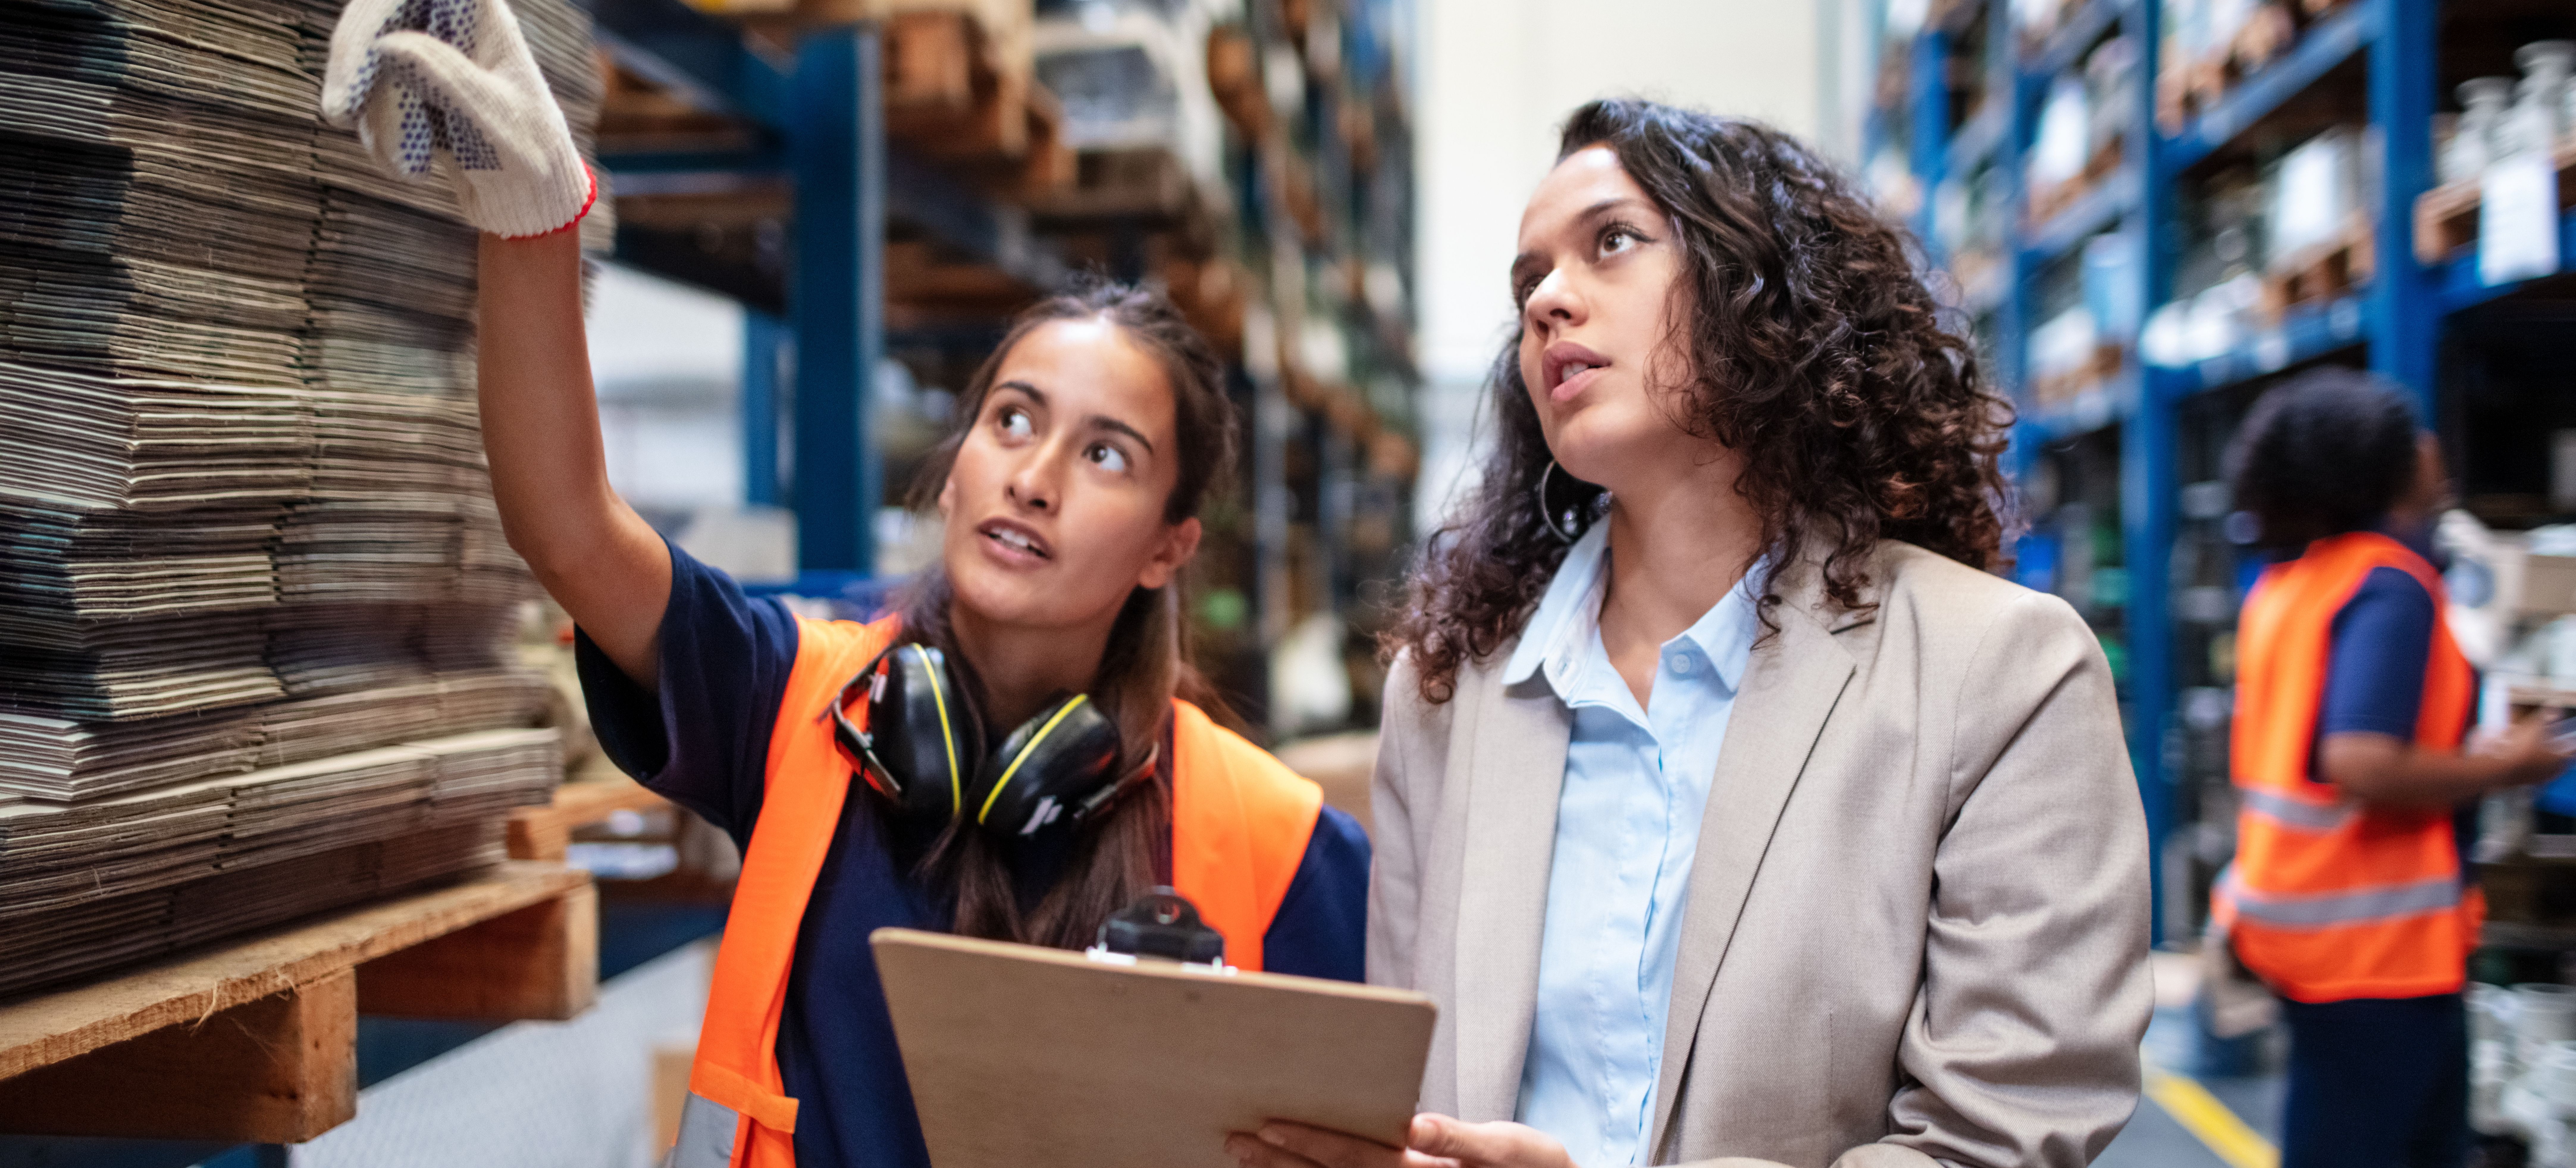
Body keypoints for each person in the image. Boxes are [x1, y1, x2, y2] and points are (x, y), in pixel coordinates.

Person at [317, 6, 1369, 1168]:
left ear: (1171, 546)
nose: (1034, 478)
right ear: (957, 463)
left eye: (1104, 453)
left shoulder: (1278, 842)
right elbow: (567, 531)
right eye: (1011, 420)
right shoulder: (797, 709)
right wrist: (536, 225)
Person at [1229, 100, 2152, 1168]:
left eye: (1611, 243)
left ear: (1759, 287)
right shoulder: (1447, 696)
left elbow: (1998, 1138)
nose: (1549, 302)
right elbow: (1405, 1089)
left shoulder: (1998, 671)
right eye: (1529, 280)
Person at [2212, 369, 2571, 1168]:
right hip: (2371, 949)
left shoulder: (2294, 579)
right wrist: (2506, 765)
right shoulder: (2387, 583)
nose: (2427, 447)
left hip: (2296, 915)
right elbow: (2359, 760)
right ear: (2372, 467)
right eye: (2406, 435)